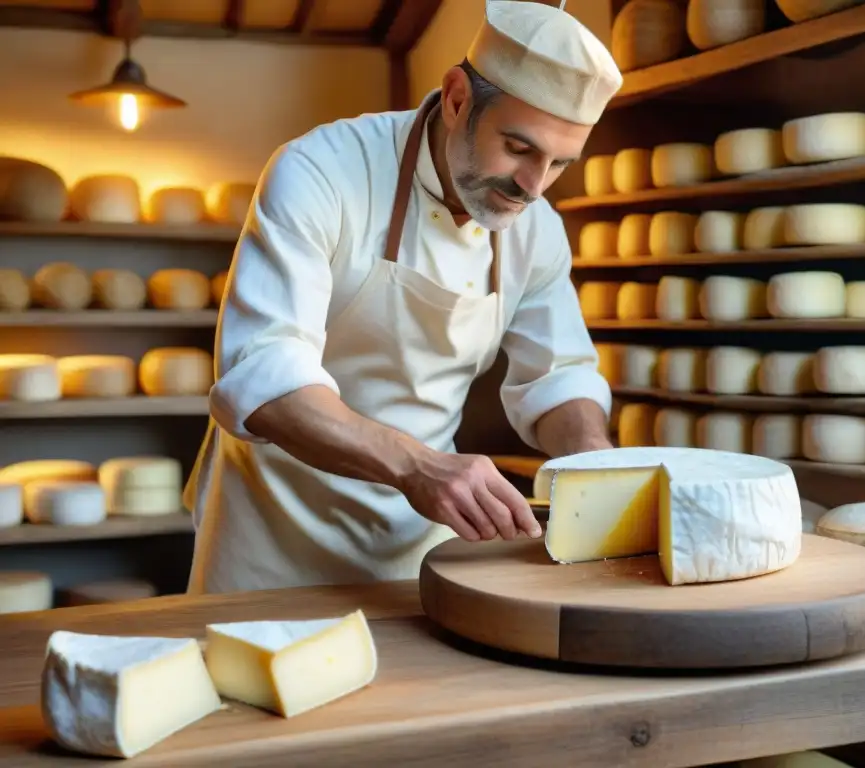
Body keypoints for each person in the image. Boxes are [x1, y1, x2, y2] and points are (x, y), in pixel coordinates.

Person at [183, 0, 624, 594]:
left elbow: (559, 377)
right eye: (519, 148)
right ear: (457, 97)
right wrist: (418, 466)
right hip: (274, 534)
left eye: (558, 164)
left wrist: (593, 462)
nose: (532, 186)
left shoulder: (535, 225)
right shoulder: (321, 172)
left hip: (422, 536)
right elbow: (263, 377)